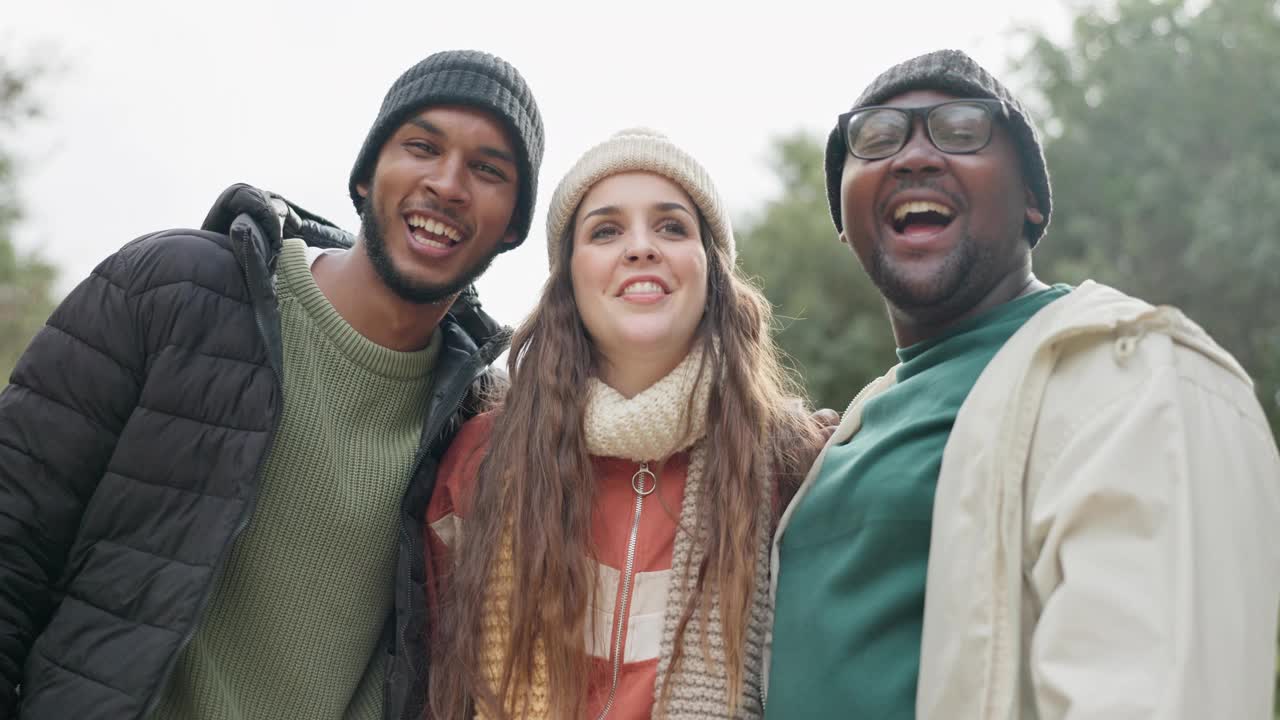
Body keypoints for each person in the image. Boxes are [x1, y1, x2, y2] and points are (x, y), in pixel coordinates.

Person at [0, 49, 544, 720]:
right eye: (422, 146)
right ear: (367, 177)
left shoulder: (474, 428)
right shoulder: (174, 290)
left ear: (514, 224)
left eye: (488, 169)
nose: (448, 183)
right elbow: (12, 539)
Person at [766, 49, 1280, 719]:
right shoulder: (847, 433)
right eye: (877, 137)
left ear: (1033, 203)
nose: (913, 157)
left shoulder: (1136, 374)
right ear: (843, 217)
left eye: (960, 130)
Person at [423, 128, 822, 719]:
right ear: (570, 279)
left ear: (710, 270)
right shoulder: (483, 460)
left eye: (671, 226)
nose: (640, 247)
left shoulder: (793, 466)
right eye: (606, 230)